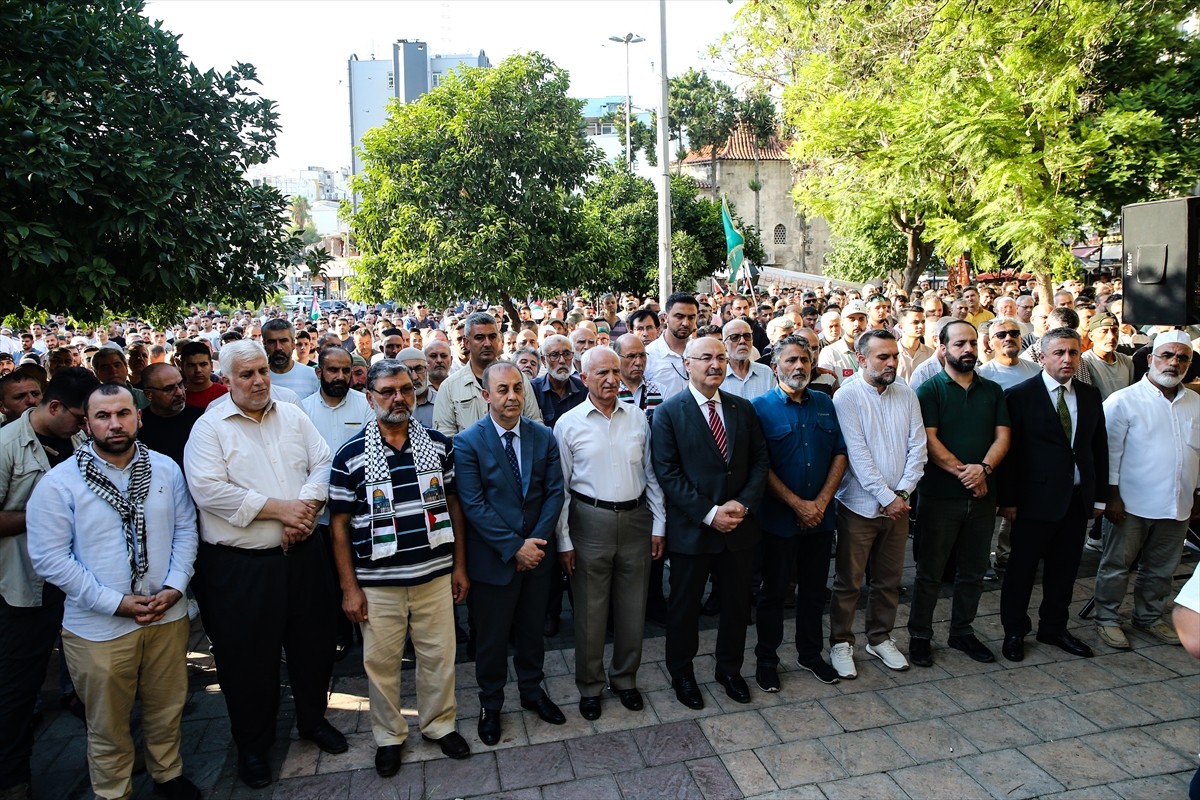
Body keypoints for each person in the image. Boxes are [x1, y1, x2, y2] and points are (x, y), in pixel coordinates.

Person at [183, 341, 345, 789]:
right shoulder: (209, 428)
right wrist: (280, 510)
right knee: (247, 662)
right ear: (227, 380)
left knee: (314, 646)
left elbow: (324, 463)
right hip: (242, 568)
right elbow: (209, 490)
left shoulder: (292, 413)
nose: (258, 381)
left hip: (303, 556)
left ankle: (312, 720)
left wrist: (304, 511)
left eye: (262, 372)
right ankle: (253, 747)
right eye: (246, 375)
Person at [27, 384, 200, 800]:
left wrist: (176, 586)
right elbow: (50, 559)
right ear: (86, 424)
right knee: (107, 724)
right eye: (103, 416)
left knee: (166, 706)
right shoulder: (59, 483)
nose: (115, 423)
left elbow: (186, 530)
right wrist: (115, 603)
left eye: (123, 413)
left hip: (165, 614)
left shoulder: (165, 469)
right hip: (98, 628)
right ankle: (113, 792)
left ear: (138, 417)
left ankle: (167, 775)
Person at [328, 361, 471, 777]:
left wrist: (459, 567)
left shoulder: (439, 445)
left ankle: (438, 725)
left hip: (433, 576)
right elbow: (338, 527)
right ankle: (389, 737)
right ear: (370, 397)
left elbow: (454, 507)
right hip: (378, 587)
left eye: (406, 390)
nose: (398, 399)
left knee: (439, 658)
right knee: (382, 664)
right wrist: (349, 588)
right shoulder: (350, 456)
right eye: (388, 391)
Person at [651, 336, 768, 709]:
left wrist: (743, 507)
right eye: (706, 358)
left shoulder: (742, 409)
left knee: (736, 605)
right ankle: (682, 674)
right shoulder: (668, 412)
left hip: (739, 528)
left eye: (721, 357)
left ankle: (729, 670)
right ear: (688, 364)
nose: (715, 364)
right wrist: (710, 513)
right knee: (684, 609)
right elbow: (668, 474)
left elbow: (760, 462)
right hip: (693, 532)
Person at [453, 361, 566, 746]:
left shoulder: (543, 436)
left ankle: (533, 692)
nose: (512, 396)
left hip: (537, 557)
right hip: (494, 563)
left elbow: (553, 494)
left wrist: (532, 544)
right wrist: (514, 547)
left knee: (533, 633)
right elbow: (473, 503)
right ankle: (491, 705)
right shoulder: (467, 442)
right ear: (486, 396)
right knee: (492, 640)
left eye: (518, 388)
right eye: (502, 390)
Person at [0, 368, 99, 800]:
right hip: (25, 588)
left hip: (82, 579)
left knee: (97, 675)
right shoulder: (6, 447)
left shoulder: (80, 442)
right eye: (81, 417)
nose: (87, 425)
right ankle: (12, 778)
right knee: (18, 689)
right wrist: (47, 516)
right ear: (54, 408)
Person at [556, 348, 665, 720]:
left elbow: (651, 475)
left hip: (636, 520)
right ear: (583, 377)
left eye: (615, 371)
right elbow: (563, 488)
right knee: (590, 610)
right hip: (589, 522)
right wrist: (564, 541)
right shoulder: (568, 423)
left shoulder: (637, 418)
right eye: (601, 372)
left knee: (633, 607)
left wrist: (659, 525)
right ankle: (589, 685)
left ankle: (625, 679)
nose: (611, 379)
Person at [998, 328, 1108, 662]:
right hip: (1033, 502)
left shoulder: (1089, 395)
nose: (1067, 359)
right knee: (1022, 570)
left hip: (1076, 500)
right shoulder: (1019, 396)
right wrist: (1009, 500)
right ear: (1042, 357)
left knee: (1065, 569)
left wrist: (1099, 497)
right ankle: (1015, 630)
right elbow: (1011, 454)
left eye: (1073, 353)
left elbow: (1098, 449)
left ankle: (1054, 627)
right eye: (1059, 352)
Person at [908, 321, 1010, 668]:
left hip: (984, 495)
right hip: (939, 496)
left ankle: (962, 630)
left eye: (972, 343)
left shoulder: (992, 390)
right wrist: (966, 474)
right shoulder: (930, 391)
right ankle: (920, 634)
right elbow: (930, 440)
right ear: (943, 347)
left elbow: (1002, 437)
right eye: (959, 344)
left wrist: (984, 470)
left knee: (973, 569)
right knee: (930, 571)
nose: (967, 350)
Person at [829, 330, 927, 678]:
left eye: (893, 356)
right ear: (861, 359)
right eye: (882, 357)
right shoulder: (847, 397)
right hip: (858, 506)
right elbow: (857, 456)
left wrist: (901, 495)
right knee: (849, 581)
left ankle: (880, 637)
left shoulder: (907, 393)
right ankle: (841, 641)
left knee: (889, 579)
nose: (890, 363)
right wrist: (889, 498)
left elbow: (919, 448)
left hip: (898, 507)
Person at [751, 336, 847, 689]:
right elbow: (761, 466)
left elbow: (839, 453)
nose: (799, 367)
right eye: (791, 360)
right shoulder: (759, 407)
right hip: (778, 522)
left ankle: (810, 655)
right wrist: (798, 504)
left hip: (821, 521)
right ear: (776, 367)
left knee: (813, 591)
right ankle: (767, 659)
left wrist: (820, 503)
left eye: (804, 360)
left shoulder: (824, 402)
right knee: (773, 593)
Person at [1093, 330, 1200, 650]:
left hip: (1177, 502)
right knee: (1116, 566)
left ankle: (1149, 617)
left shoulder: (1195, 402)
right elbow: (1109, 455)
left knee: (1162, 568)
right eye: (1167, 355)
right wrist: (1111, 497)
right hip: (1130, 503)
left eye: (1182, 358)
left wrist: (1196, 494)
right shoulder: (1123, 401)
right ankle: (1108, 619)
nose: (1174, 363)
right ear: (1150, 359)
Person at [433, 313, 542, 436]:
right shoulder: (449, 387)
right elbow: (445, 438)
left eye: (492, 337)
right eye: (479, 337)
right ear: (467, 342)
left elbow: (535, 425)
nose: (487, 343)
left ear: (499, 339)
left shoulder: (519, 378)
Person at [137, 363, 203, 471]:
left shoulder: (202, 419)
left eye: (181, 384)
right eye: (169, 389)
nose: (179, 392)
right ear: (149, 394)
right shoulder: (138, 426)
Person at [645, 293, 698, 398]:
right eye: (679, 317)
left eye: (691, 317)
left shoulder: (701, 352)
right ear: (665, 317)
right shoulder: (649, 355)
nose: (686, 323)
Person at [530, 334, 586, 430]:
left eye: (567, 354)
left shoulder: (584, 389)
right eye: (554, 355)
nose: (562, 361)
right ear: (543, 360)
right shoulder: (533, 389)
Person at [1080, 313, 1133, 401]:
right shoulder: (1085, 362)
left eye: (1115, 330)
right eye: (1104, 331)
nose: (1111, 336)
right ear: (1091, 336)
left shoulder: (1126, 361)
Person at [262, 319, 319, 397]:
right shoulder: (259, 379)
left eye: (283, 341)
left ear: (293, 344)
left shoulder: (312, 376)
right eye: (272, 342)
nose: (278, 347)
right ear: (264, 345)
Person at [721, 319, 774, 399]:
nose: (742, 341)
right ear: (724, 345)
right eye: (735, 337)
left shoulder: (766, 372)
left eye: (747, 336)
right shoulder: (719, 377)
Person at [817, 300, 869, 381]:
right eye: (852, 319)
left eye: (861, 319)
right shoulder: (830, 352)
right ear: (842, 324)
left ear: (867, 322)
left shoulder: (874, 351)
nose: (857, 324)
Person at [393, 347, 436, 428]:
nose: (414, 377)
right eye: (407, 370)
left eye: (419, 369)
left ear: (427, 369)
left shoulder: (441, 401)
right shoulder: (392, 405)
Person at [178, 342, 227, 409]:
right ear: (182, 367)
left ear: (211, 365)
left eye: (203, 364)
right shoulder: (177, 397)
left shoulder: (225, 395)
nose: (198, 370)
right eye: (191, 365)